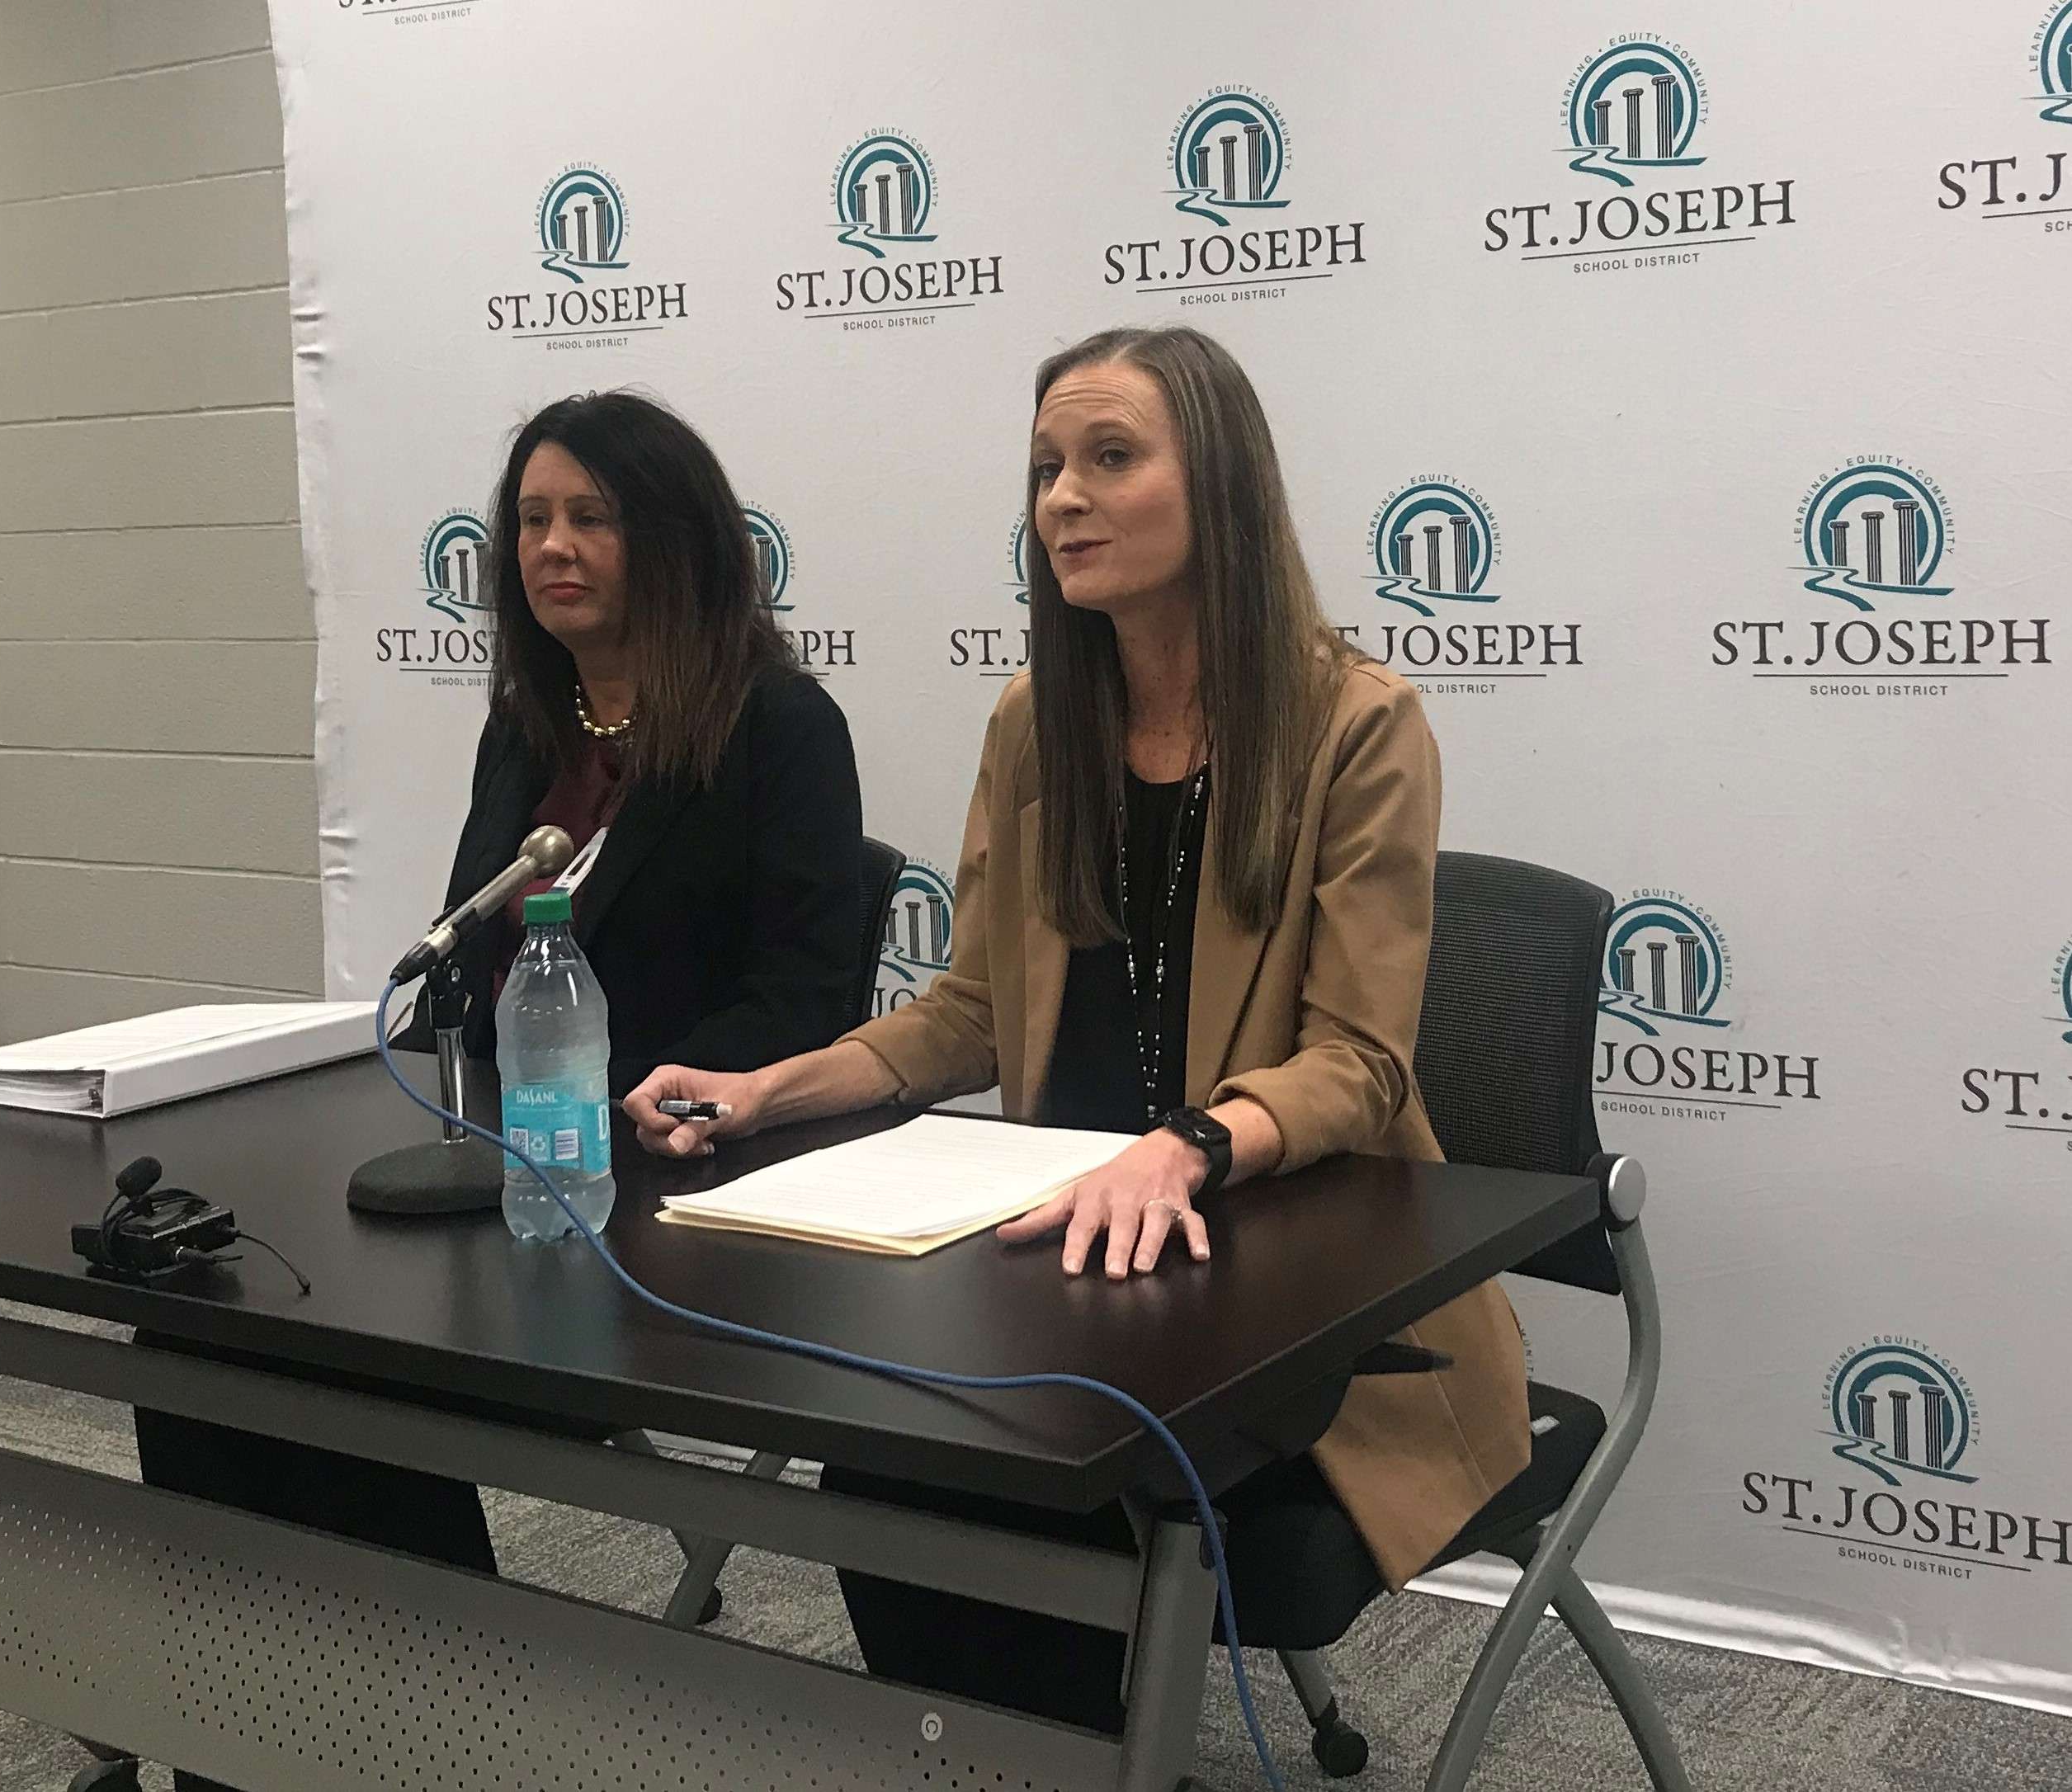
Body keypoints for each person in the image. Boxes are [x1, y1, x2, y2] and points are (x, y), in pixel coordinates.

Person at [624, 327, 1531, 1733]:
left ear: (1217, 486)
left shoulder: (1359, 723)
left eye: (1109, 458)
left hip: (1286, 1262)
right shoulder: (1036, 721)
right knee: (895, 1468)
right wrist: (770, 1090)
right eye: (1047, 466)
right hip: (1067, 1256)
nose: (1061, 497)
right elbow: (970, 1015)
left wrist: (1177, 1150)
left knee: (1035, 1489)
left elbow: (1358, 1063)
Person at [136, 391, 865, 1791]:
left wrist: (651, 1099)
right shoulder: (529, 728)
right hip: (508, 1167)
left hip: (669, 1195)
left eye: (592, 516)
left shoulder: (779, 727)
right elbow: (467, 961)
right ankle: (237, 1735)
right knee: (205, 1335)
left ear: (676, 537)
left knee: (349, 1371)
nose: (554, 545)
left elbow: (807, 1000)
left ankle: (431, 1734)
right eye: (532, 518)